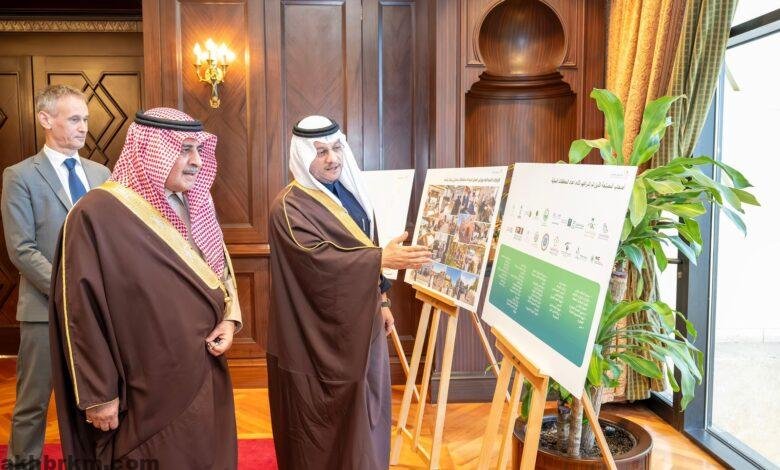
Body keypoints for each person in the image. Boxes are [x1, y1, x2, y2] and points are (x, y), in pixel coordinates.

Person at [49, 108, 242, 468]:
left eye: (199, 149)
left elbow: (218, 271)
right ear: (150, 150)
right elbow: (79, 313)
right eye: (184, 149)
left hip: (203, 370)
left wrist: (230, 318)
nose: (197, 161)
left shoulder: (197, 202)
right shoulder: (95, 214)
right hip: (144, 390)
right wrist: (98, 394)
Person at [267, 115, 431, 469]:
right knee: (321, 423)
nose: (333, 159)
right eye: (321, 152)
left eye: (336, 148)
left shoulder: (350, 193)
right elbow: (315, 262)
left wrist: (382, 299)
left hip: (362, 322)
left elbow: (365, 243)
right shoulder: (289, 207)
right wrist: (380, 259)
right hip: (314, 338)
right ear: (302, 156)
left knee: (366, 409)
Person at [1, 84, 111, 468]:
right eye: (75, 119)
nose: (84, 127)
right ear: (45, 119)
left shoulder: (101, 173)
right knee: (32, 405)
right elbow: (21, 249)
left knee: (96, 397)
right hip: (43, 311)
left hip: (97, 311)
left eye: (86, 119)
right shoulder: (19, 176)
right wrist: (69, 289)